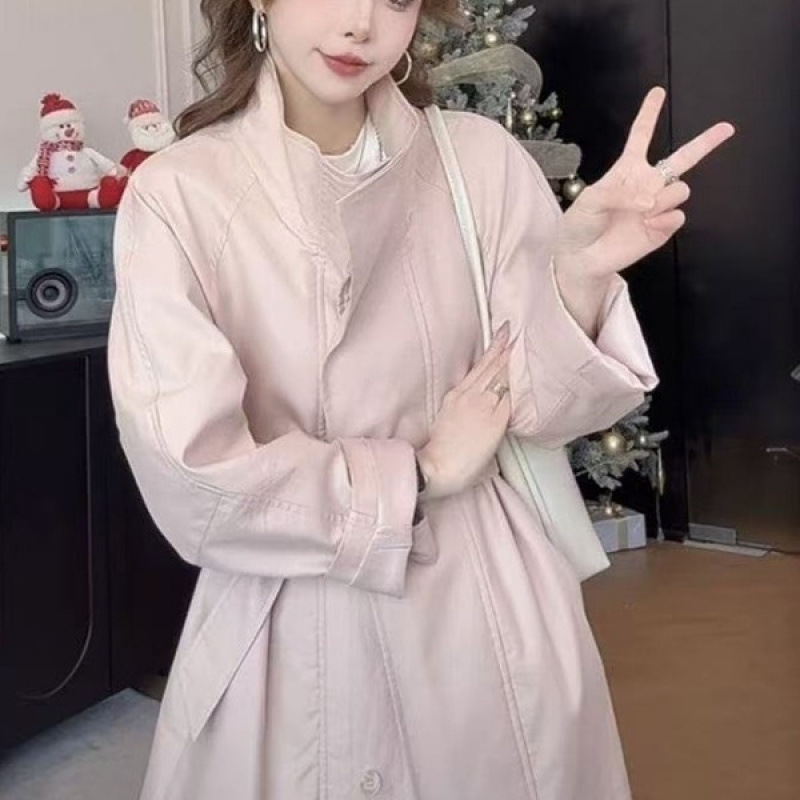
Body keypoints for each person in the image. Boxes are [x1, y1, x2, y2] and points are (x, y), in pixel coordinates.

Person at [107, 1, 735, 798]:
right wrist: (419, 472)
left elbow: (543, 408)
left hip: (486, 604)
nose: (361, 24)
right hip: (282, 612)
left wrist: (576, 277)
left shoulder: (479, 162)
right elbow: (191, 476)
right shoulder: (179, 194)